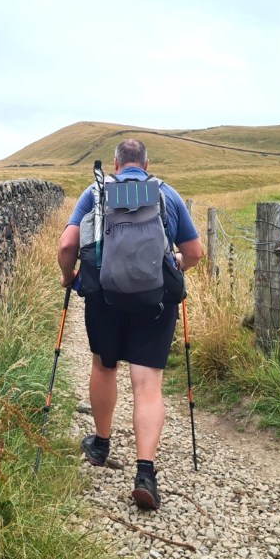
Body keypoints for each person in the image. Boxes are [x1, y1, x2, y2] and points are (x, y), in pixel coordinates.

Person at [57, 138, 203, 510]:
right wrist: (174, 270)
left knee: (104, 367)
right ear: (146, 164)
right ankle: (145, 473)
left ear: (116, 165)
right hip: (154, 302)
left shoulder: (95, 192)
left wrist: (67, 276)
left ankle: (101, 445)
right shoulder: (166, 195)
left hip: (104, 299)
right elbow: (194, 253)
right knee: (148, 382)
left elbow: (66, 245)